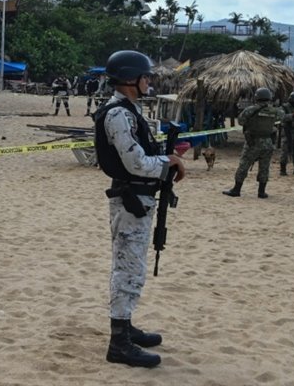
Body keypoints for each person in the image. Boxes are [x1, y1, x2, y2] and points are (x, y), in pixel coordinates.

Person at [94, 50, 186, 369]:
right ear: (131, 79)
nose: (149, 81)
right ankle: (119, 342)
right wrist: (168, 161)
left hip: (140, 198)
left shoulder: (130, 110)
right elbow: (135, 162)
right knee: (127, 268)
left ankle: (126, 326)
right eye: (146, 76)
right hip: (130, 199)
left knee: (133, 265)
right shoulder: (118, 113)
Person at [223, 88, 284, 198]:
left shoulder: (250, 109)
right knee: (264, 167)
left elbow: (241, 121)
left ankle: (236, 189)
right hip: (268, 142)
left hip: (253, 142)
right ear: (269, 98)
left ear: (257, 97)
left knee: (244, 164)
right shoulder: (275, 111)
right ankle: (261, 192)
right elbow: (281, 118)